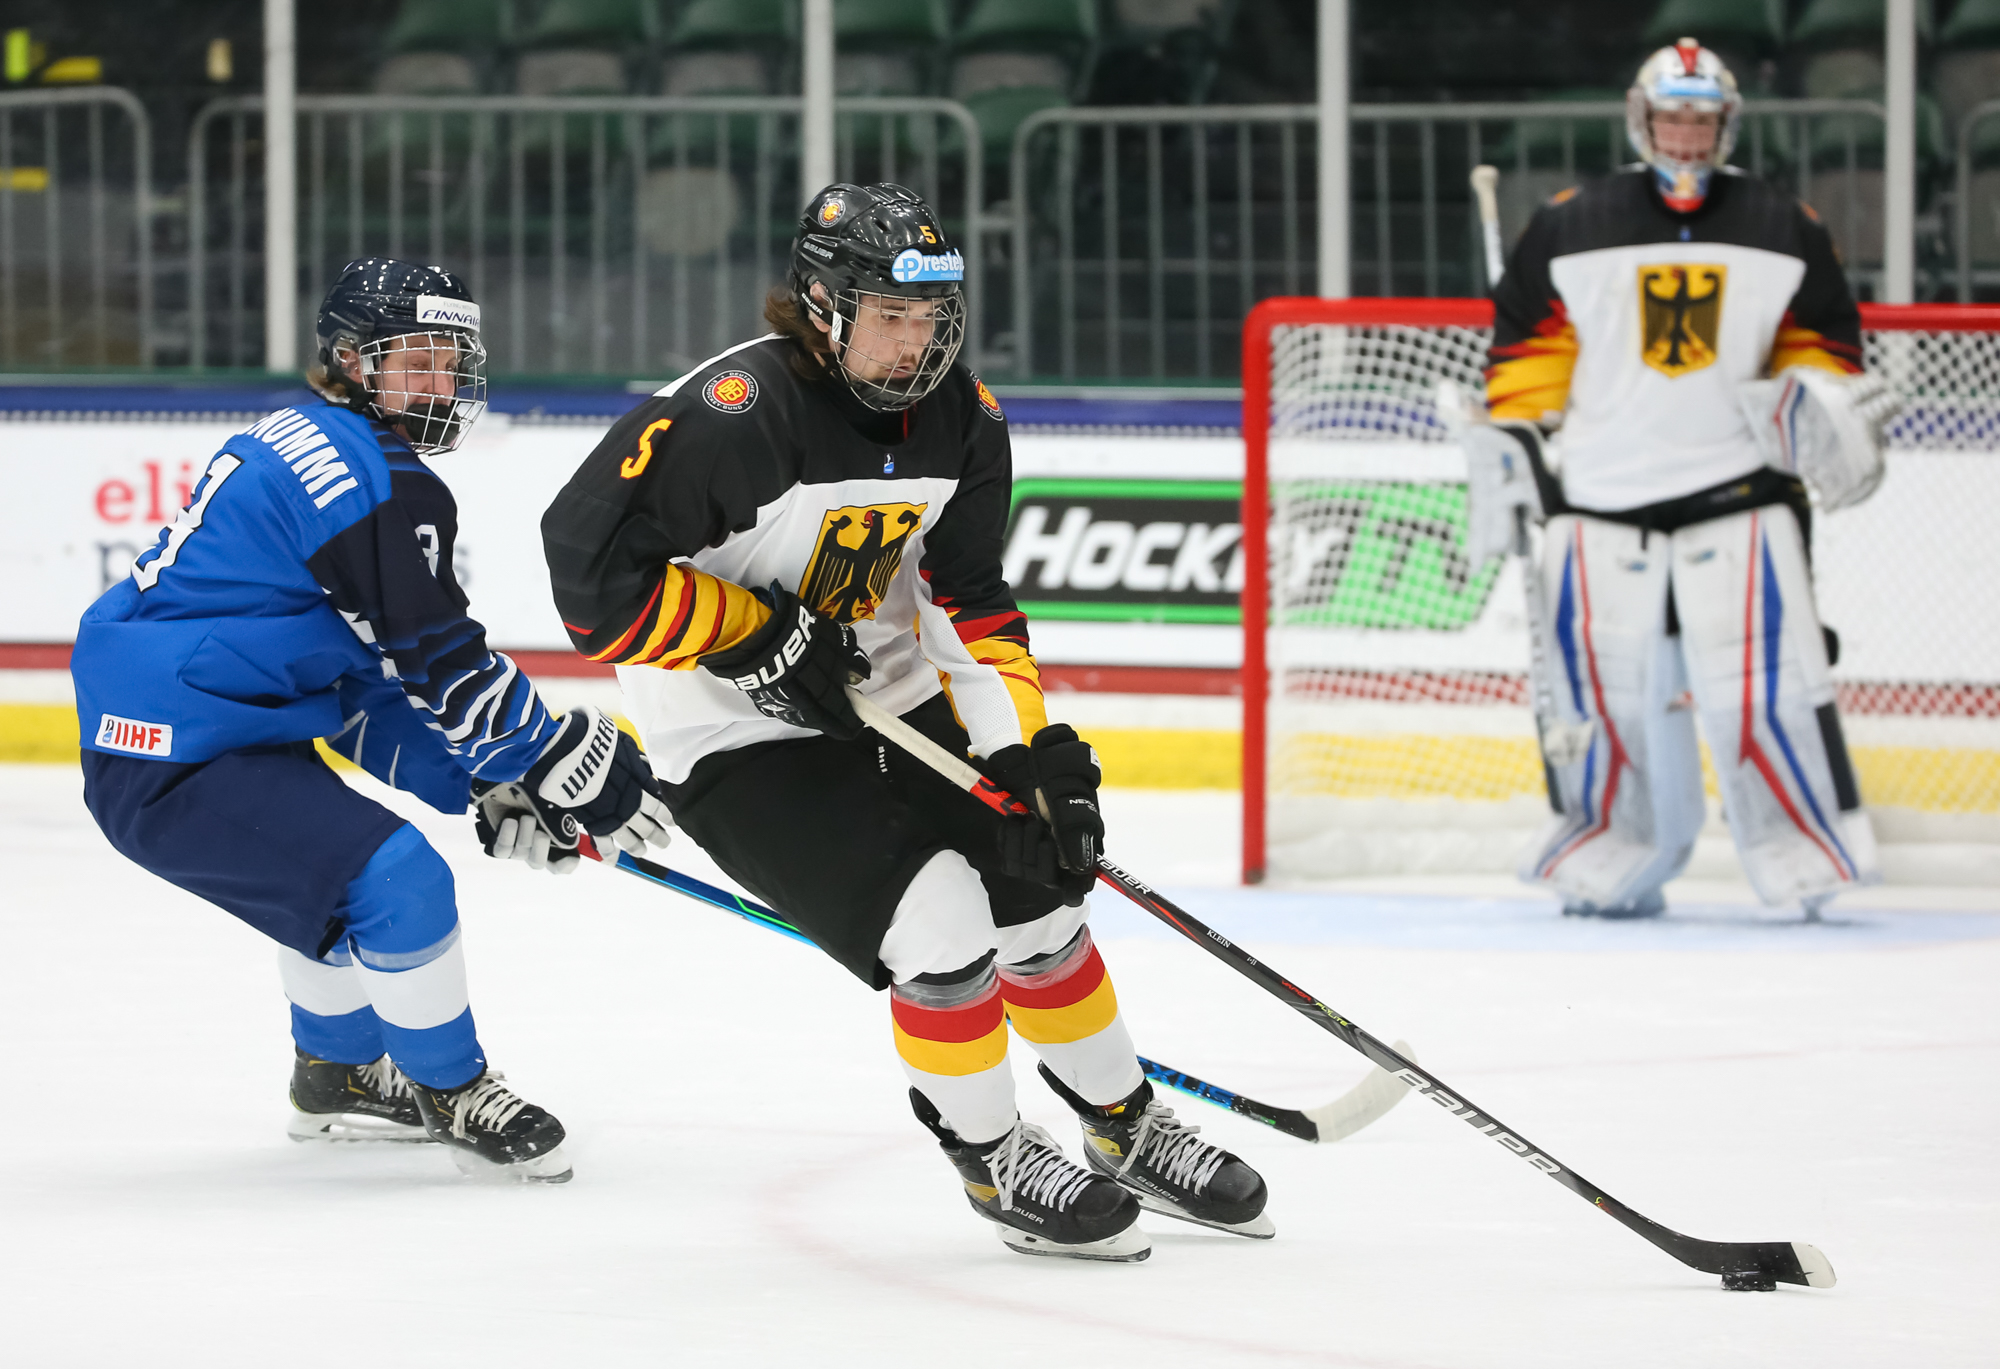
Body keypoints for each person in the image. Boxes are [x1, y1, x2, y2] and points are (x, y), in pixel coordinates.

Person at [542, 183, 1272, 1261]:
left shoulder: (963, 420)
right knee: (939, 924)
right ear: (822, 306)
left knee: (1038, 895)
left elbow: (968, 599)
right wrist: (754, 633)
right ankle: (992, 1157)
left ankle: (1123, 1125)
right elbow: (590, 578)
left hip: (890, 703)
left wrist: (1029, 754)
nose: (915, 343)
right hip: (733, 735)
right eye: (890, 316)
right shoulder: (741, 412)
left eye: (932, 318)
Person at [73, 258, 672, 1181]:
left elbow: (367, 684)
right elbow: (437, 655)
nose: (442, 383)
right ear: (352, 361)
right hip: (175, 752)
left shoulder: (323, 443)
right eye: (416, 361)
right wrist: (549, 754)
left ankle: (339, 1073)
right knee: (396, 881)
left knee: (333, 874)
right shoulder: (367, 475)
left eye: (452, 361)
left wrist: (489, 777)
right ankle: (451, 1086)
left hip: (206, 725)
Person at [1467, 40, 1889, 921]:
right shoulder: (1571, 221)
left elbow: (1824, 352)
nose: (1687, 137)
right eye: (1673, 118)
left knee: (1770, 692)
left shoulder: (1785, 223)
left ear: (1725, 123)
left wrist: (1818, 409)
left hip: (1739, 499)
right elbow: (1524, 355)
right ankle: (1609, 857)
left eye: (1702, 120)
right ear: (1642, 119)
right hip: (1599, 502)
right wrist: (1514, 438)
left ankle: (1805, 860)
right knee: (1605, 705)